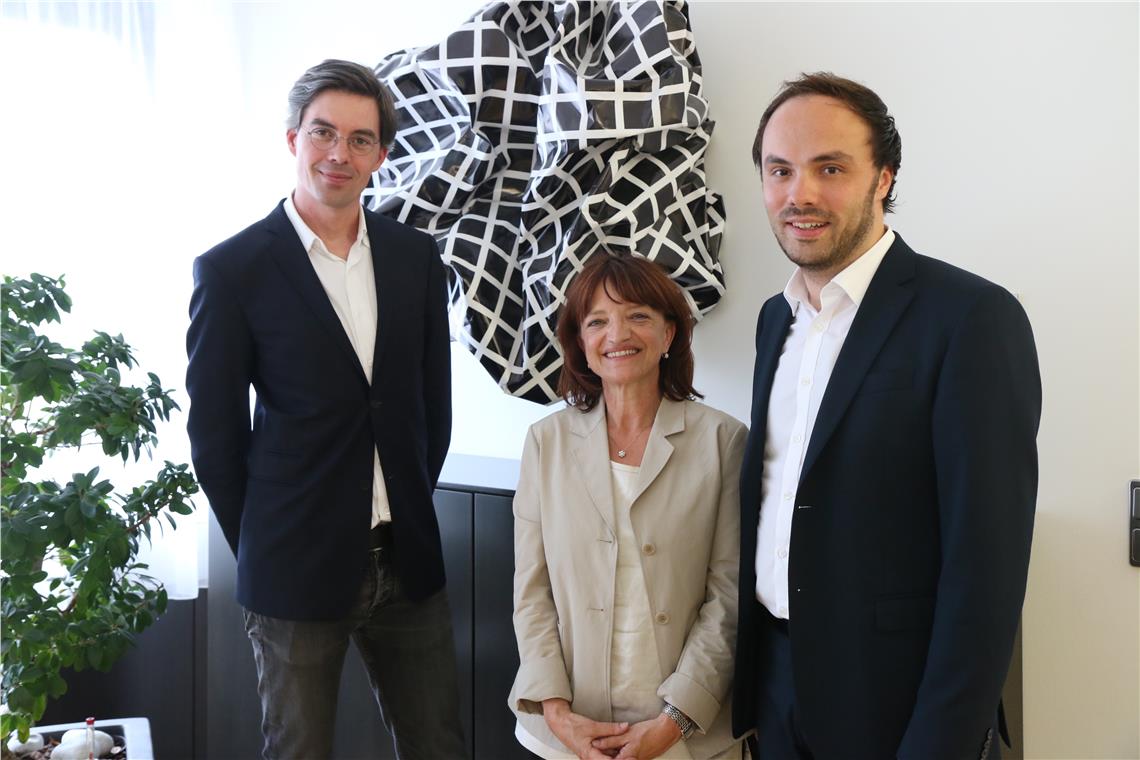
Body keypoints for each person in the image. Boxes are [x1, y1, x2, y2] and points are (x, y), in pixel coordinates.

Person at [731, 72, 1041, 760]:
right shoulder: (774, 320)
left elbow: (986, 571)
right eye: (780, 170)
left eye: (830, 168)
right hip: (777, 693)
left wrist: (940, 741)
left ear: (883, 178)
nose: (800, 194)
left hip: (899, 706)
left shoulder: (970, 318)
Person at [185, 59, 465, 760]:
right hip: (293, 568)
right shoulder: (232, 270)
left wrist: (405, 500)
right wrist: (268, 543)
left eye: (360, 139)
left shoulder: (416, 258)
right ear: (293, 140)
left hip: (408, 561)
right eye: (323, 133)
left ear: (381, 155)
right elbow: (215, 439)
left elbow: (432, 408)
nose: (340, 153)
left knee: (439, 747)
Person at [509, 254, 747, 760]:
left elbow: (728, 598)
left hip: (689, 729)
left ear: (668, 334)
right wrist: (557, 714)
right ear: (580, 343)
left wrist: (673, 721)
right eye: (597, 321)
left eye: (638, 315)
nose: (617, 333)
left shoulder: (722, 440)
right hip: (571, 730)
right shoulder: (545, 442)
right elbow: (532, 594)